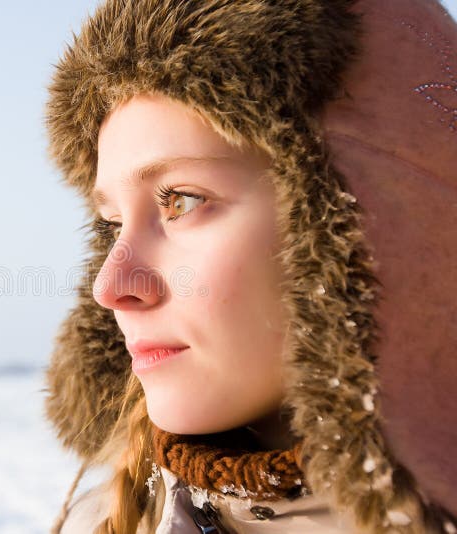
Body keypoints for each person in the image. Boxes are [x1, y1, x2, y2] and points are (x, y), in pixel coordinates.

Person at [42, 0, 456, 533]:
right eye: (113, 224)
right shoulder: (106, 521)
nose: (111, 286)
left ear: (367, 226)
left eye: (183, 201)